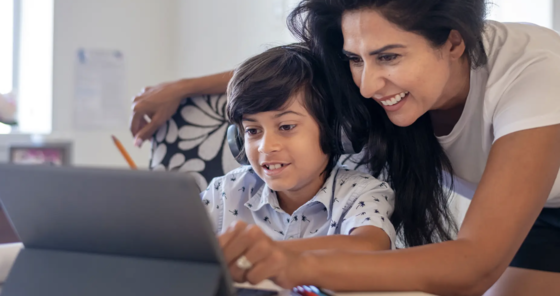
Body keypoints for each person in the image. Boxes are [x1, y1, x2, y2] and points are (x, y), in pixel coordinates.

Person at [130, 1, 560, 295]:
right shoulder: (382, 66)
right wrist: (181, 89)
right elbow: (293, 71)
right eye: (356, 59)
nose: (368, 85)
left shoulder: (537, 75)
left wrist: (297, 263)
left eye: (389, 58)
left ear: (452, 43)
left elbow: (474, 265)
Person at [202, 44, 396, 265]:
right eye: (253, 131)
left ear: (334, 131)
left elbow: (370, 247)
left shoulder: (360, 195)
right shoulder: (224, 192)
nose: (266, 147)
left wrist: (270, 251)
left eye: (286, 127)